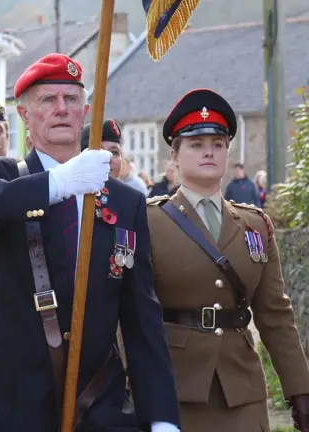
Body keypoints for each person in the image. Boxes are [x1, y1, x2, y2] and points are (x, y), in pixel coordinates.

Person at [0, 53, 180, 431]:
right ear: (23, 115)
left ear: (85, 111)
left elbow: (141, 318)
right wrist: (58, 184)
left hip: (95, 402)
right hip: (8, 403)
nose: (60, 109)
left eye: (70, 100)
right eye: (47, 100)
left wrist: (162, 417)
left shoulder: (124, 201)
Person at [146, 88, 309, 432]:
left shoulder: (254, 224)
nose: (209, 152)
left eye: (217, 144)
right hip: (175, 387)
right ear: (174, 156)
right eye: (196, 144)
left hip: (242, 391)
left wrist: (300, 390)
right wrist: (135, 386)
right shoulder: (149, 222)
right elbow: (129, 314)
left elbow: (275, 315)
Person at [81, 119, 148, 195]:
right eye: (98, 151)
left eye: (114, 152)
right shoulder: (67, 198)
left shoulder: (132, 201)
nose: (108, 158)